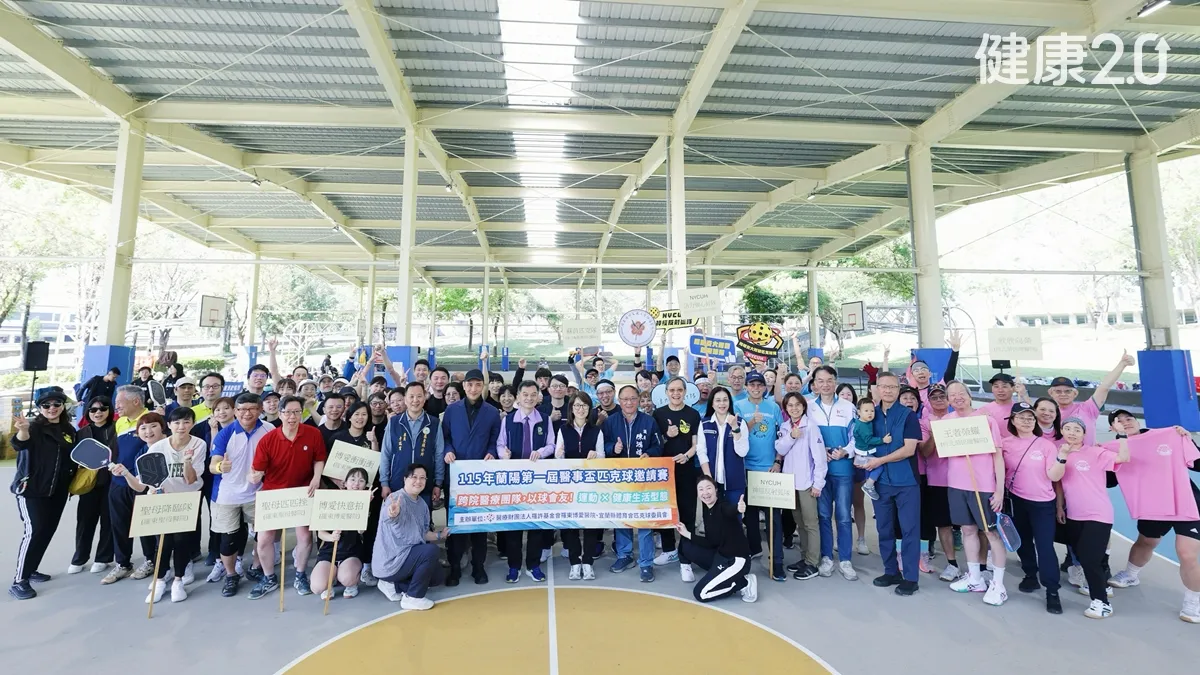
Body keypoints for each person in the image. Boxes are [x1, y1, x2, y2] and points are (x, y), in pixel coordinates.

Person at [1104, 411, 1200, 623]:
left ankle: (1194, 602)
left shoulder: (1170, 436)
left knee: (1186, 553)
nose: (1125, 423)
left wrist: (1187, 440)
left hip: (1186, 503)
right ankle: (1131, 575)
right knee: (1146, 542)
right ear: (1112, 428)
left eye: (1128, 419)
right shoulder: (1115, 448)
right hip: (1151, 507)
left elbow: (1198, 464)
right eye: (1118, 421)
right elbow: (1110, 481)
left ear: (1137, 421)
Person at [113, 406, 206, 603]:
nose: (181, 426)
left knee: (181, 541)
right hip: (161, 500)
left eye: (186, 422)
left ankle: (178, 581)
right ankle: (161, 580)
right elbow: (141, 486)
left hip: (185, 500)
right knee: (162, 543)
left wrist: (187, 461)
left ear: (193, 424)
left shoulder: (199, 444)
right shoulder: (157, 448)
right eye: (177, 422)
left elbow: (190, 480)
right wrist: (126, 474)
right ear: (169, 425)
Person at [1048, 417, 1130, 619]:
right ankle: (1101, 588)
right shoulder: (1059, 453)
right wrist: (1059, 507)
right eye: (1068, 428)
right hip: (1074, 514)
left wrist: (1122, 435)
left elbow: (1123, 457)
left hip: (1098, 513)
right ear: (1062, 431)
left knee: (1089, 558)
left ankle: (1102, 602)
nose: (1072, 432)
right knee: (1082, 555)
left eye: (1077, 429)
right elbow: (1057, 481)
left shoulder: (1095, 452)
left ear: (1084, 434)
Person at [247, 395, 327, 599]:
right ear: (280, 414)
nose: (292, 417)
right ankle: (269, 577)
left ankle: (300, 574)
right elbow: (257, 470)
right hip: (273, 494)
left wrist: (316, 478)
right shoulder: (268, 439)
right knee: (264, 539)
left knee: (305, 537)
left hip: (302, 492)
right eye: (288, 412)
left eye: (297, 412)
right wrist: (254, 476)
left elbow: (319, 459)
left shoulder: (313, 434)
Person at [941, 381, 1008, 606]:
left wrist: (999, 490)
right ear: (948, 400)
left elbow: (998, 456)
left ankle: (998, 585)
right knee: (967, 530)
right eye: (952, 395)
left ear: (970, 396)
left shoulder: (986, 421)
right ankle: (975, 578)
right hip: (956, 485)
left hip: (983, 486)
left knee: (991, 534)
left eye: (961, 393)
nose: (957, 397)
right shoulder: (946, 422)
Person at [9, 387, 76, 600]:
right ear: (40, 408)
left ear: (63, 406)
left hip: (58, 491)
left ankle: (31, 569)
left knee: (47, 531)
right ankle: (19, 580)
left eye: (57, 404)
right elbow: (20, 443)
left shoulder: (68, 430)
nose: (52, 408)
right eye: (46, 405)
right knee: (35, 531)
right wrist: (23, 430)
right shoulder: (33, 427)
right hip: (32, 490)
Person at [441, 369, 502, 586]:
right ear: (464, 386)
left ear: (482, 386)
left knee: (479, 526)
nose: (474, 389)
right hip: (456, 477)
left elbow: (495, 439)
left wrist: (492, 452)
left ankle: (478, 567)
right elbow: (445, 437)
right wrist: (448, 450)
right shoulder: (452, 411)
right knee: (456, 525)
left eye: (478, 385)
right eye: (470, 384)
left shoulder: (492, 412)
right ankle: (455, 568)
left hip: (480, 478)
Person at [864, 372, 922, 596]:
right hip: (880, 483)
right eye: (883, 386)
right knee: (884, 529)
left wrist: (880, 461)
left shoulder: (908, 416)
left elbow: (909, 449)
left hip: (906, 482)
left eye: (892, 387)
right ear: (877, 389)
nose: (887, 391)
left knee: (909, 530)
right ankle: (891, 571)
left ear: (899, 389)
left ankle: (911, 577)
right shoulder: (870, 415)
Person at [1002, 401, 1063, 614]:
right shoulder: (1004, 444)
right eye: (1021, 417)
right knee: (1022, 541)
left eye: (1030, 418)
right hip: (1015, 500)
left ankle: (1052, 590)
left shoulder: (1046, 446)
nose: (1026, 421)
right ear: (1012, 420)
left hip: (1042, 504)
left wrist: (1063, 459)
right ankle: (1030, 574)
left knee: (1045, 547)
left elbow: (1054, 475)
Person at [209, 393, 270, 598]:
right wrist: (221, 466)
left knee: (263, 534)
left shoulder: (269, 430)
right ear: (235, 411)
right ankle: (231, 575)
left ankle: (256, 567)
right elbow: (212, 465)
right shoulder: (225, 434)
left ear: (260, 410)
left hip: (258, 493)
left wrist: (264, 473)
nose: (247, 413)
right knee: (228, 540)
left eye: (252, 408)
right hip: (227, 495)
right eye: (242, 409)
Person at [496, 380, 555, 583]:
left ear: (538, 397)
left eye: (533, 395)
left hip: (537, 480)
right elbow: (500, 444)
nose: (529, 398)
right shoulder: (508, 420)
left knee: (535, 525)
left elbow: (552, 444)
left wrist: (541, 452)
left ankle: (533, 565)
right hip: (514, 479)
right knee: (514, 526)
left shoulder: (545, 419)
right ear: (518, 397)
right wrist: (503, 454)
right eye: (525, 395)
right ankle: (514, 566)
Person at [604, 384, 662, 578]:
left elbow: (658, 445)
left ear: (638, 400)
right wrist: (613, 449)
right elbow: (603, 445)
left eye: (632, 399)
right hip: (619, 478)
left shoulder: (649, 421)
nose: (629, 403)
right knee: (623, 518)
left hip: (643, 479)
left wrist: (649, 453)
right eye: (625, 399)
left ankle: (646, 562)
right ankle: (625, 555)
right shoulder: (610, 422)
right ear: (619, 401)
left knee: (644, 521)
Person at [375, 464, 450, 610]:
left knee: (437, 577)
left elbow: (422, 533)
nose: (418, 481)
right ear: (405, 479)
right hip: (391, 561)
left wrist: (440, 535)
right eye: (414, 477)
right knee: (431, 551)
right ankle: (413, 597)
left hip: (408, 557)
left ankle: (394, 585)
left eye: (422, 478)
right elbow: (390, 518)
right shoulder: (395, 499)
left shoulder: (422, 504)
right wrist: (393, 514)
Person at [734, 371, 785, 580]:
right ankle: (754, 548)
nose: (756, 388)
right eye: (752, 385)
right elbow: (735, 434)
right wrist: (751, 423)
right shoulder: (738, 406)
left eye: (759, 385)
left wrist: (778, 461)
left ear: (765, 387)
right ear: (746, 387)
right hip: (746, 467)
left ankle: (777, 561)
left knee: (774, 518)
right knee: (750, 514)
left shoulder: (773, 407)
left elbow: (782, 435)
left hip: (769, 469)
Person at [675, 477, 758, 603]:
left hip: (737, 560)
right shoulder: (708, 510)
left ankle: (743, 583)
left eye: (708, 488)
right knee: (686, 545)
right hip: (721, 556)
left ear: (716, 490)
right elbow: (711, 542)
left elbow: (730, 511)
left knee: (701, 594)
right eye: (701, 489)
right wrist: (686, 533)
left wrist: (738, 508)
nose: (705, 493)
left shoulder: (722, 506)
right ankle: (723, 577)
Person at [102, 410, 161, 585]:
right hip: (121, 484)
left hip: (153, 491)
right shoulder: (122, 426)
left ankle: (152, 561)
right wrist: (124, 473)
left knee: (146, 527)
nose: (148, 431)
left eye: (153, 426)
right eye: (143, 428)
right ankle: (123, 564)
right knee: (119, 525)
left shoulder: (163, 445)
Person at [653, 377, 702, 580]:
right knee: (666, 511)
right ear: (666, 392)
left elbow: (696, 443)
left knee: (687, 513)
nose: (676, 393)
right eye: (672, 390)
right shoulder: (658, 414)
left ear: (685, 392)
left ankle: (686, 556)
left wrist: (687, 456)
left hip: (687, 470)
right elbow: (655, 443)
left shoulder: (693, 414)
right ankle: (668, 549)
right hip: (664, 471)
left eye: (679, 390)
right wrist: (667, 435)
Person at [775, 393, 827, 581]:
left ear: (803, 406)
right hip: (790, 483)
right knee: (800, 523)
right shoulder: (785, 426)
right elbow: (780, 449)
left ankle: (813, 562)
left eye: (798, 405)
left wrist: (818, 483)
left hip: (807, 483)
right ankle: (805, 557)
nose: (794, 408)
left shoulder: (811, 427)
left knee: (811, 523)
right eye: (790, 405)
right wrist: (791, 436)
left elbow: (820, 458)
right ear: (786, 408)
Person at [555, 391, 605, 580]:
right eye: (576, 405)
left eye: (584, 405)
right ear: (571, 409)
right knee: (570, 526)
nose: (580, 409)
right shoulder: (563, 430)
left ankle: (588, 562)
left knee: (591, 524)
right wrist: (559, 454)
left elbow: (602, 457)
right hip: (569, 486)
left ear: (589, 409)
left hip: (591, 486)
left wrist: (596, 455)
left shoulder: (596, 431)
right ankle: (575, 563)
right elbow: (558, 457)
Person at [1046, 350, 1135, 447]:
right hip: (1059, 456)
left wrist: (1122, 364)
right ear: (1051, 393)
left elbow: (1104, 387)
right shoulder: (1046, 414)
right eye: (1058, 391)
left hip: (1088, 455)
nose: (1063, 394)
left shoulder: (1088, 408)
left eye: (1068, 391)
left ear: (1075, 393)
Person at [69, 396, 116, 576]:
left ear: (109, 411)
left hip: (111, 483)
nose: (98, 413)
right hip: (89, 485)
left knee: (108, 521)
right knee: (85, 522)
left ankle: (103, 558)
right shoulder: (82, 433)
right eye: (93, 409)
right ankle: (79, 558)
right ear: (88, 412)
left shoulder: (116, 429)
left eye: (103, 409)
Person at [917, 384, 958, 581]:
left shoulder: (960, 418)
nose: (939, 400)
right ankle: (952, 563)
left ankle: (980, 565)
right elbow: (925, 452)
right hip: (938, 480)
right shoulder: (925, 422)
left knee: (971, 526)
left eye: (943, 396)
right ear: (929, 401)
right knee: (943, 523)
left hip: (963, 479)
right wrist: (935, 434)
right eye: (934, 397)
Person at [311, 467, 370, 601]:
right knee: (317, 587)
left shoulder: (364, 503)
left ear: (365, 485)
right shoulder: (330, 500)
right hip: (328, 553)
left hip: (351, 553)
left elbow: (361, 531)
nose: (356, 484)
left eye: (361, 481)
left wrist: (365, 508)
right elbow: (320, 533)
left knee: (347, 578)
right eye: (353, 479)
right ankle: (329, 582)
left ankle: (352, 584)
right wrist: (331, 537)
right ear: (345, 483)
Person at [381, 382, 444, 507]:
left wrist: (438, 483)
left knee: (423, 518)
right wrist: (384, 483)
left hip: (424, 485)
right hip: (398, 483)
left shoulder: (434, 423)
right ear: (405, 399)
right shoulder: (394, 422)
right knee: (397, 516)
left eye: (419, 396)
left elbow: (439, 454)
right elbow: (386, 453)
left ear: (425, 398)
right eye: (411, 396)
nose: (415, 400)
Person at [697, 387, 749, 503]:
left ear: (730, 402)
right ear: (712, 403)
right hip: (711, 482)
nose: (722, 403)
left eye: (725, 400)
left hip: (735, 482)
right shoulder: (705, 423)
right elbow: (701, 451)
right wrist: (708, 477)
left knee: (735, 513)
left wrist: (735, 428)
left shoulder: (740, 423)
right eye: (718, 400)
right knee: (713, 514)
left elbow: (742, 452)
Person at [853, 398, 888, 501]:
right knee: (879, 466)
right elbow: (868, 440)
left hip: (863, 451)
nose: (870, 413)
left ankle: (869, 483)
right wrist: (883, 440)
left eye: (872, 411)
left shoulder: (864, 422)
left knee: (869, 468)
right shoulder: (862, 426)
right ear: (859, 412)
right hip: (865, 452)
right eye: (866, 411)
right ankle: (868, 485)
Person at [980, 373, 1018, 439]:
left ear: (1013, 388)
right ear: (992, 389)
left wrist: (1025, 395)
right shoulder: (984, 411)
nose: (1000, 390)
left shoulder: (1019, 409)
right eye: (996, 386)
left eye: (1004, 386)